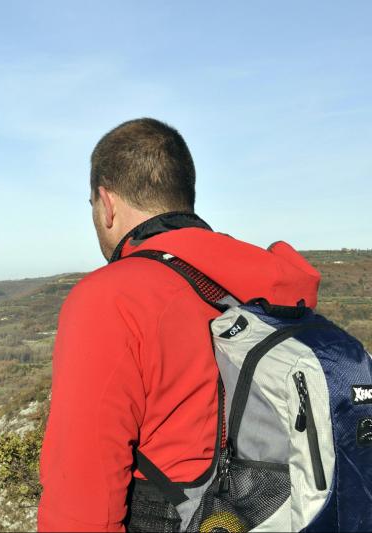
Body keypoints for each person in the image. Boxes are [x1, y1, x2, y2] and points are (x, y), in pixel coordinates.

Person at [37, 118, 320, 532]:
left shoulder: (111, 298)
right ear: (185, 195)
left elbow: (81, 500)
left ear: (106, 202)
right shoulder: (277, 282)